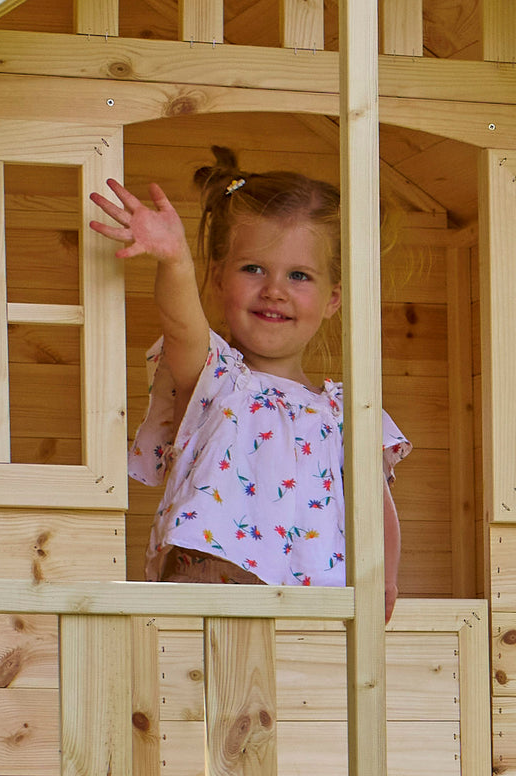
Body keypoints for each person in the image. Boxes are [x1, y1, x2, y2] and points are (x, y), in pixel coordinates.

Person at [90, 146, 411, 621]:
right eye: (253, 268)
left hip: (315, 609)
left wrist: (383, 578)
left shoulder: (349, 412)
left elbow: (376, 504)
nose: (274, 289)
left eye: (299, 275)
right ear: (219, 277)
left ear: (332, 299)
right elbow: (181, 325)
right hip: (207, 599)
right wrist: (174, 261)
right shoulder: (216, 377)